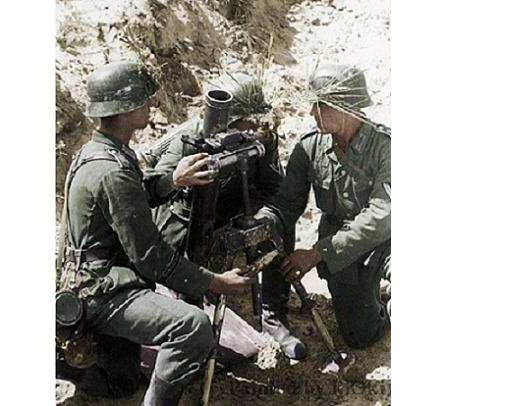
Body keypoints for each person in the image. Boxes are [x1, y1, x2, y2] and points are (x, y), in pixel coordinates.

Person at [57, 60, 255, 405]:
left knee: (122, 384)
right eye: (144, 100)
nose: (150, 105)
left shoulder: (99, 152)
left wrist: (173, 180)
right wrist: (215, 282)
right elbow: (152, 258)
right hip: (102, 291)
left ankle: (68, 359)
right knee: (192, 327)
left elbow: (131, 195)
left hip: (90, 280)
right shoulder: (111, 170)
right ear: (126, 109)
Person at [146, 72, 307, 360]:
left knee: (280, 220)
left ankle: (273, 313)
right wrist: (178, 179)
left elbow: (273, 188)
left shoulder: (261, 136)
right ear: (232, 120)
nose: (256, 126)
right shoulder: (190, 141)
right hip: (185, 223)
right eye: (249, 120)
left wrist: (262, 220)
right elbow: (152, 185)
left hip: (231, 212)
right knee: (186, 285)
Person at [259, 64, 391, 349]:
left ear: (344, 106)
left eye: (319, 105)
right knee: (360, 336)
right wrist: (265, 219)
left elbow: (382, 217)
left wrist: (318, 253)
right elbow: (288, 203)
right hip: (343, 253)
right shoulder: (310, 148)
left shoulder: (386, 147)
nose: (312, 113)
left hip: (386, 243)